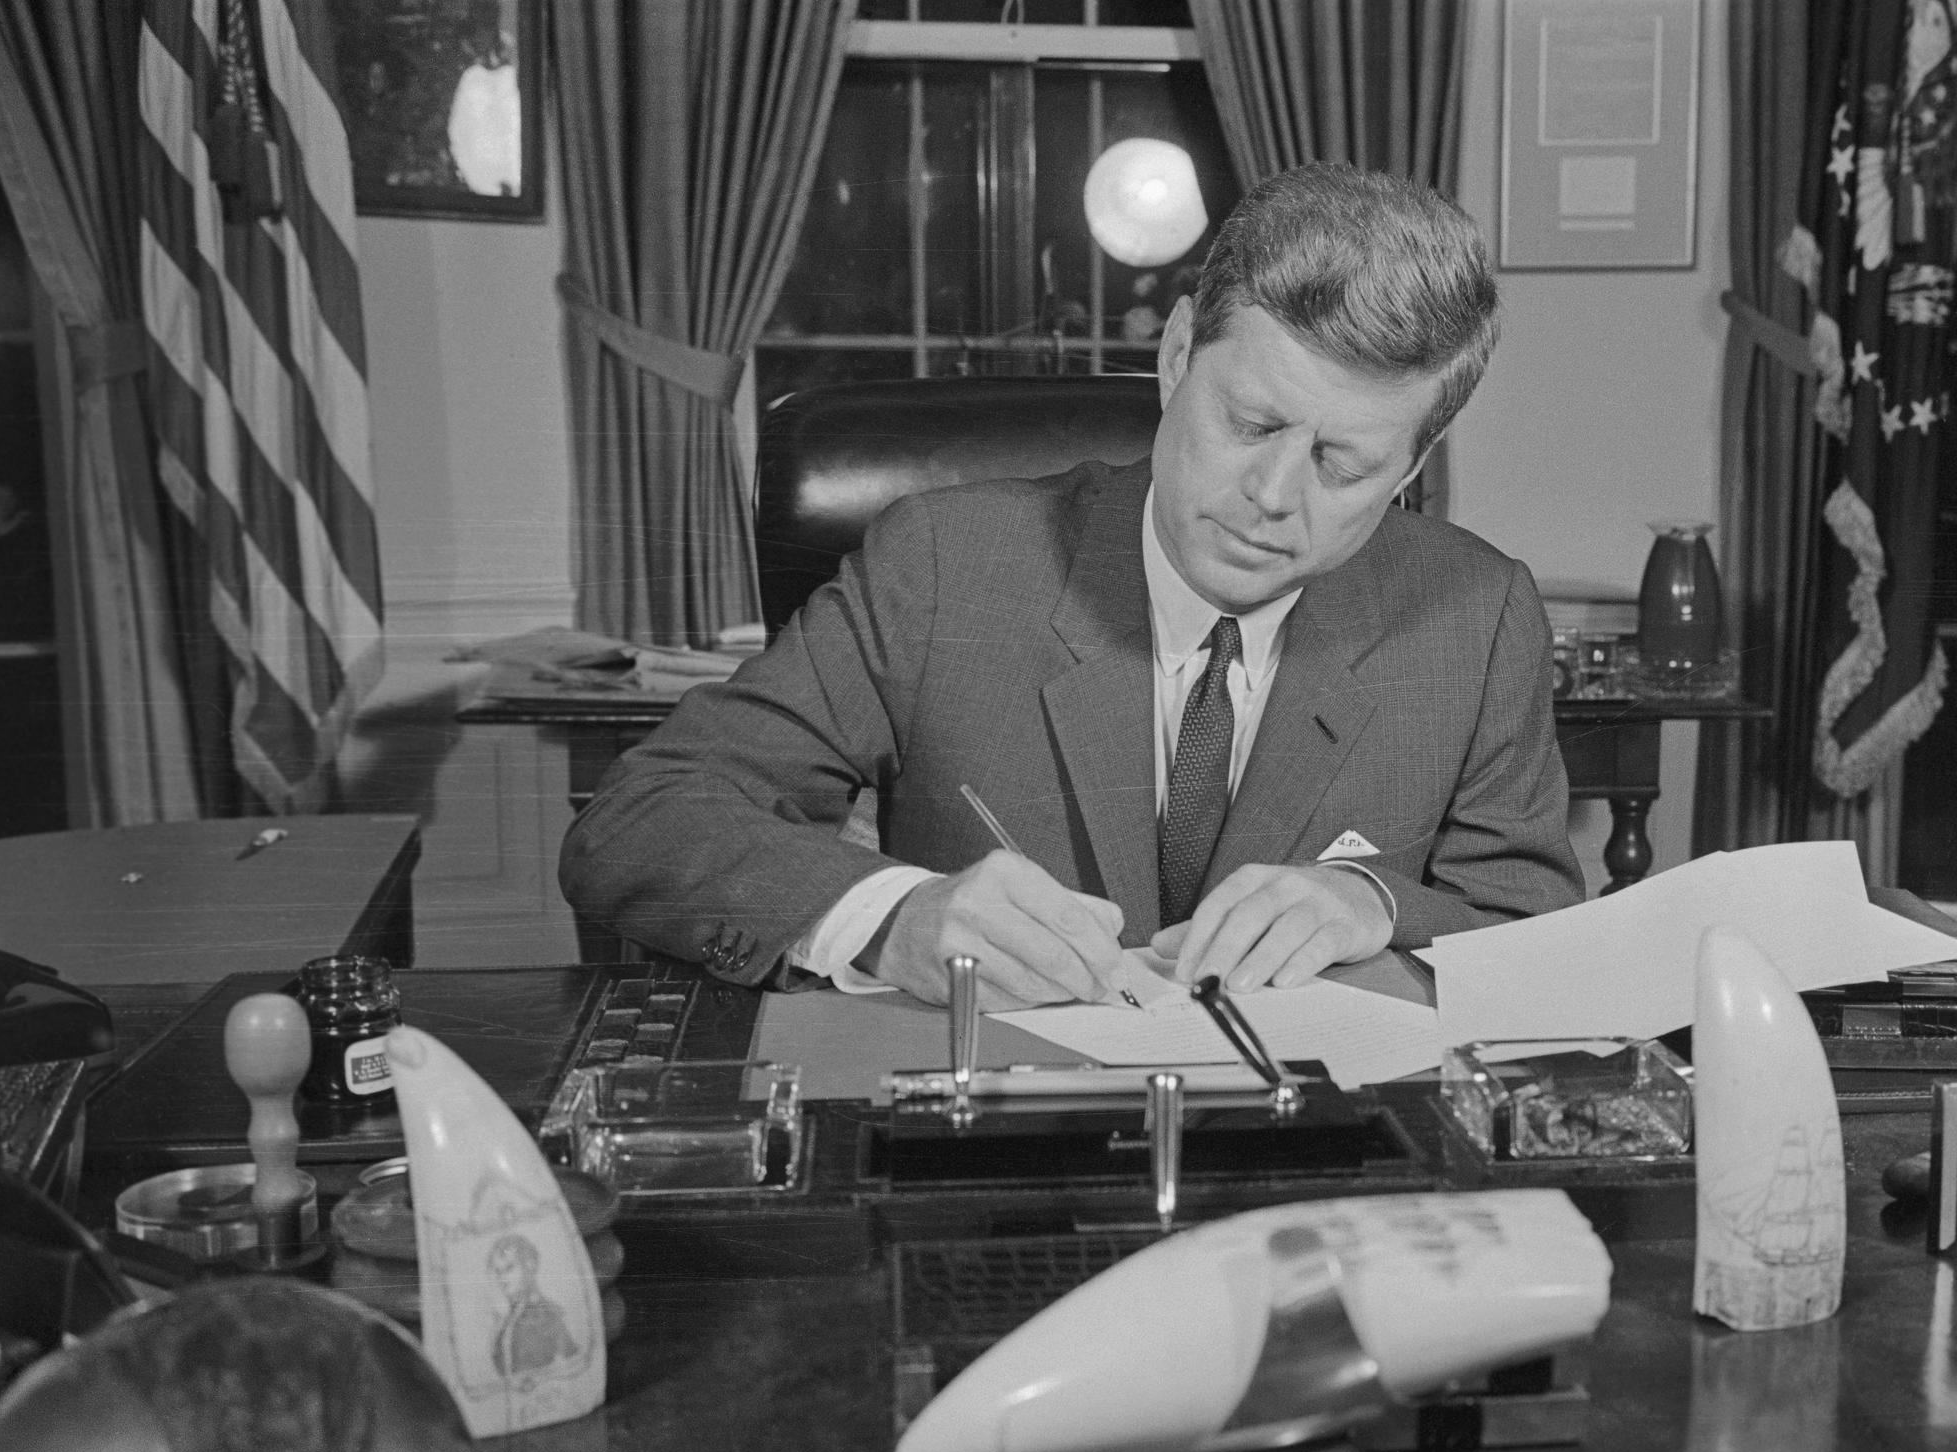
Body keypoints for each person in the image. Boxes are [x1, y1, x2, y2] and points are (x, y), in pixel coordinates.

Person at [561, 162, 1584, 1009]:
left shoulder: (1477, 617)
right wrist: (891, 918)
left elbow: (1533, 934)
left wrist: (1377, 906)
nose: (1273, 496)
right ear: (1179, 354)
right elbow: (639, 820)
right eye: (1253, 424)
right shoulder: (946, 566)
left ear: (1410, 470)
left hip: (1310, 1180)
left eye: (1341, 464)